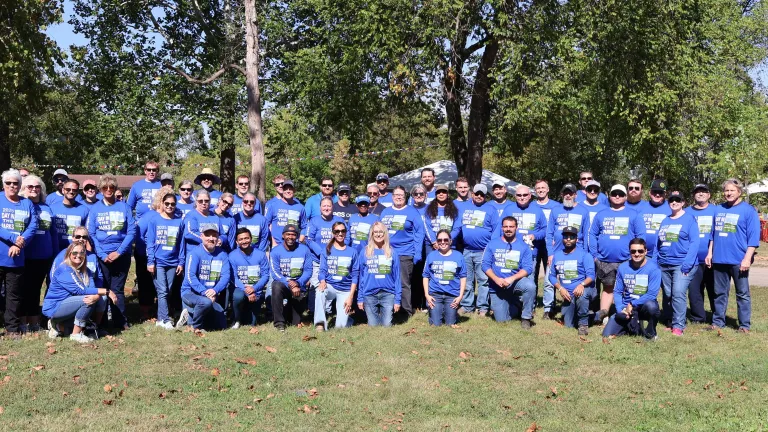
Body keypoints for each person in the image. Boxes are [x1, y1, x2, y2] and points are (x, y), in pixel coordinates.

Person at [705, 178, 760, 333]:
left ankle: (744, 325)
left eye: (731, 190)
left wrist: (747, 258)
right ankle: (718, 322)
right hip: (719, 259)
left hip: (739, 260)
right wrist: (710, 253)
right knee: (719, 293)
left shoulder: (748, 211)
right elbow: (712, 235)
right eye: (726, 190)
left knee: (742, 294)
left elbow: (753, 238)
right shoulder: (718, 209)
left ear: (739, 192)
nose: (728, 193)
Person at [588, 184, 645, 324]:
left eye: (620, 194)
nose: (617, 196)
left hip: (627, 260)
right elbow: (593, 234)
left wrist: (636, 256)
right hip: (605, 260)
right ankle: (604, 316)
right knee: (608, 288)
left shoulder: (634, 215)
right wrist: (595, 254)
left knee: (629, 289)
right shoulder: (601, 214)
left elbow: (640, 236)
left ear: (626, 196)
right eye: (614, 194)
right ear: (610, 196)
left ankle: (630, 316)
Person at [87, 174, 136, 330]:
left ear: (116, 189)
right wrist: (102, 254)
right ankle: (101, 322)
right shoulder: (95, 208)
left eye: (112, 187)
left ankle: (120, 321)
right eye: (105, 187)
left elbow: (131, 231)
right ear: (100, 189)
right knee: (104, 287)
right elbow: (91, 234)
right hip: (102, 255)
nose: (108, 190)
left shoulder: (124, 207)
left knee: (118, 289)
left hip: (121, 254)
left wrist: (119, 252)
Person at [43, 242, 118, 343]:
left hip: (71, 304)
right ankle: (76, 334)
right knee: (86, 300)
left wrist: (97, 296)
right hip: (56, 306)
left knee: (100, 298)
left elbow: (92, 287)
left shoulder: (86, 270)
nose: (78, 255)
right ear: (69, 254)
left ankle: (90, 328)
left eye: (82, 253)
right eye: (75, 253)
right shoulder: (64, 269)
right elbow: (80, 290)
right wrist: (107, 291)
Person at [0, 169, 39, 338]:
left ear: (20, 185)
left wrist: (20, 242)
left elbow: (33, 225)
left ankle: (12, 328)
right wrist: (14, 238)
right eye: (8, 183)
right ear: (3, 184)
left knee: (13, 296)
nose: (12, 186)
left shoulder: (27, 203)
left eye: (15, 183)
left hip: (16, 258)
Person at [656, 191, 699, 335]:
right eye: (672, 200)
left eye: (677, 200)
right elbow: (659, 242)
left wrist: (687, 264)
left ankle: (679, 325)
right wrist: (657, 260)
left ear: (683, 202)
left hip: (682, 263)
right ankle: (669, 319)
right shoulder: (665, 220)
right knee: (668, 294)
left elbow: (694, 243)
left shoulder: (689, 219)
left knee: (678, 292)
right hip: (664, 263)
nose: (674, 202)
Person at [544, 183, 589, 319]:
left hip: (577, 252)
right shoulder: (555, 210)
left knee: (573, 278)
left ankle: (576, 306)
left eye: (571, 193)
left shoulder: (583, 211)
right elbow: (549, 234)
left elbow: (586, 234)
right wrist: (550, 253)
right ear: (562, 194)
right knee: (548, 281)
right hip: (557, 251)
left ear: (576, 195)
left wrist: (586, 254)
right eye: (565, 193)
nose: (568, 195)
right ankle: (548, 308)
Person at [482, 216, 536, 328]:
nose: (508, 229)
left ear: (516, 228)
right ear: (502, 228)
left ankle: (526, 317)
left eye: (511, 227)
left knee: (530, 286)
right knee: (501, 320)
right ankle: (517, 304)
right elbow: (485, 265)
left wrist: (511, 279)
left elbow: (528, 268)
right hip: (497, 285)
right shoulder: (492, 244)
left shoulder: (523, 246)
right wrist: (496, 279)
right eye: (505, 226)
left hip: (515, 282)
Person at [380, 185, 425, 318]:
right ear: (392, 197)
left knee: (404, 283)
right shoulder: (385, 212)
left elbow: (419, 233)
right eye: (396, 195)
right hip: (387, 252)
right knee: (387, 282)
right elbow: (378, 232)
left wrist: (417, 253)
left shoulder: (412, 212)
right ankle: (388, 309)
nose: (398, 197)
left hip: (405, 253)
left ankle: (406, 311)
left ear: (405, 197)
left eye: (401, 195)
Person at [602, 239, 661, 340]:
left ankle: (651, 333)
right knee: (606, 334)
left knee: (652, 307)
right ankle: (632, 325)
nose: (637, 254)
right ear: (629, 252)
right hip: (626, 307)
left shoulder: (654, 268)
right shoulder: (623, 267)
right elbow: (617, 291)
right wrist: (621, 309)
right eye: (633, 251)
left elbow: (652, 294)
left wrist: (632, 304)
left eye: (640, 251)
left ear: (646, 251)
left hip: (644, 306)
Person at [20, 174, 58, 333]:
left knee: (36, 290)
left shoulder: (47, 208)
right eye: (30, 186)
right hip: (25, 256)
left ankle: (35, 323)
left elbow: (53, 233)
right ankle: (22, 323)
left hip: (45, 257)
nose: (34, 189)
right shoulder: (20, 206)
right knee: (23, 290)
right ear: (24, 189)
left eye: (37, 187)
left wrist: (55, 254)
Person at [146, 189, 186, 330]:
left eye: (172, 204)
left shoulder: (179, 222)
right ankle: (165, 319)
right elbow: (150, 242)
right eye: (167, 203)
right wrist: (150, 261)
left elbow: (181, 243)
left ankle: (159, 318)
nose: (170, 206)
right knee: (162, 290)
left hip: (173, 262)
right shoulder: (154, 220)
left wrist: (181, 262)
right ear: (162, 203)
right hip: (158, 261)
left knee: (167, 291)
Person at [457, 184, 499, 316]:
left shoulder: (491, 209)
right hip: (466, 250)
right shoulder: (464, 207)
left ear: (485, 196)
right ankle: (467, 305)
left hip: (483, 251)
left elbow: (496, 230)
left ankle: (483, 307)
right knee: (467, 279)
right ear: (472, 194)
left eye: (482, 194)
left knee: (483, 280)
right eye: (477, 194)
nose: (479, 196)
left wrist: (490, 248)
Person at [177, 226, 230, 332]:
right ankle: (195, 326)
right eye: (207, 235)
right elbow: (190, 276)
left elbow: (226, 276)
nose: (211, 238)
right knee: (205, 303)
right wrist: (205, 293)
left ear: (218, 238)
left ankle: (190, 313)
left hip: (211, 294)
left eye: (214, 236)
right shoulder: (194, 253)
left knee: (221, 324)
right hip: (190, 293)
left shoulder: (223, 255)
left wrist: (215, 290)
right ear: (201, 236)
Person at [549, 226, 595, 335]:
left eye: (572, 237)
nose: (568, 239)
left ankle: (583, 325)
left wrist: (581, 284)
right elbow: (552, 276)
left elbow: (591, 276)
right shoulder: (557, 255)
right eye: (566, 237)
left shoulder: (585, 255)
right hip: (568, 294)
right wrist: (560, 288)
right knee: (569, 324)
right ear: (562, 238)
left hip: (584, 290)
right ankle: (595, 316)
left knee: (581, 296)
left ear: (577, 239)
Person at [315, 221, 360, 331]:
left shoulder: (352, 252)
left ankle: (348, 320)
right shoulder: (327, 250)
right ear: (333, 233)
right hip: (331, 286)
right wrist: (322, 281)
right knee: (319, 291)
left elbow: (355, 275)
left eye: (343, 231)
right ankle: (320, 323)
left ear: (346, 233)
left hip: (345, 290)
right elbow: (322, 270)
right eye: (337, 231)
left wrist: (350, 297)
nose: (340, 233)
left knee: (340, 328)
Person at [306, 197, 346, 315]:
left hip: (334, 259)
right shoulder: (314, 221)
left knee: (330, 284)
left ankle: (327, 311)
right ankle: (313, 311)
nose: (326, 208)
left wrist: (336, 252)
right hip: (317, 260)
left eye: (329, 206)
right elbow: (308, 239)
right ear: (320, 208)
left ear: (332, 207)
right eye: (324, 206)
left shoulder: (339, 220)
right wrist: (321, 252)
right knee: (316, 285)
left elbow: (346, 237)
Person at [357, 221, 401, 326]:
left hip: (388, 294)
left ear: (385, 234)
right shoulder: (365, 252)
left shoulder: (392, 252)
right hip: (369, 294)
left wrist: (397, 300)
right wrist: (360, 298)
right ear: (372, 234)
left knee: (386, 326)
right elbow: (361, 277)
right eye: (375, 232)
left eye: (381, 232)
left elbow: (397, 277)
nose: (378, 234)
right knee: (373, 326)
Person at [269, 224, 313, 331]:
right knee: (275, 285)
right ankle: (279, 323)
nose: (290, 237)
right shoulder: (275, 251)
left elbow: (308, 271)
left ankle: (290, 314)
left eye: (293, 235)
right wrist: (289, 283)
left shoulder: (304, 249)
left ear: (297, 236)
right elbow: (275, 273)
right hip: (284, 285)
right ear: (283, 235)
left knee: (294, 322)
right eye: (288, 234)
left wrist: (298, 283)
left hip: (298, 287)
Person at [422, 229, 466, 326]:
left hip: (452, 294)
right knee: (436, 324)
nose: (443, 242)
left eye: (446, 240)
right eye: (439, 240)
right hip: (435, 294)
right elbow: (425, 276)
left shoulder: (459, 256)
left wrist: (460, 296)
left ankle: (449, 313)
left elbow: (463, 277)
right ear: (437, 242)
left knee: (450, 323)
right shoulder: (431, 256)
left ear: (450, 241)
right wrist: (427, 295)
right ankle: (434, 312)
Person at [687, 184, 716, 324]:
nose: (700, 194)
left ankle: (717, 316)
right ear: (694, 195)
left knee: (714, 289)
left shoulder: (716, 211)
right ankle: (698, 317)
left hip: (713, 259)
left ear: (709, 195)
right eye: (697, 192)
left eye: (704, 191)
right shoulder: (686, 212)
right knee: (694, 291)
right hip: (693, 260)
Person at [229, 228, 269, 328]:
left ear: (251, 239)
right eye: (241, 239)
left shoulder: (260, 254)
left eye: (246, 238)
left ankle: (248, 314)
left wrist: (254, 289)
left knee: (252, 323)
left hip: (256, 291)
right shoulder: (232, 256)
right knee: (238, 296)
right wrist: (247, 290)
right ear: (237, 242)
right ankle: (237, 319)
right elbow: (233, 278)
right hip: (241, 289)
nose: (244, 241)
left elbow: (265, 275)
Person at [500, 185, 547, 268]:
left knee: (529, 279)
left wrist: (535, 236)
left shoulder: (537, 210)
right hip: (511, 251)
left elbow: (545, 229)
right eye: (519, 195)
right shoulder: (508, 209)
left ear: (529, 196)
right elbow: (500, 229)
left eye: (525, 195)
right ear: (515, 196)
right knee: (510, 279)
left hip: (530, 253)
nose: (522, 197)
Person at [50, 179, 90, 252]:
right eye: (68, 189)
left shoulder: (84, 210)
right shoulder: (52, 208)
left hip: (76, 252)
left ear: (78, 192)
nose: (71, 192)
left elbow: (88, 233)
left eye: (74, 190)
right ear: (63, 190)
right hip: (56, 250)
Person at [265, 179, 306, 246]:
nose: (288, 191)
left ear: (294, 190)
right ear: (283, 190)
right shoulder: (273, 205)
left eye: (290, 189)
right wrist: (273, 241)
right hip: (277, 245)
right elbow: (266, 224)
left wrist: (300, 240)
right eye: (286, 189)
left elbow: (304, 226)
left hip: (294, 245)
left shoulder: (300, 207)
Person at [639, 179, 671, 259]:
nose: (657, 195)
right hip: (642, 255)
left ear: (665, 194)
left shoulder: (672, 208)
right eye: (654, 192)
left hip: (663, 256)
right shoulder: (641, 207)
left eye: (660, 192)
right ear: (650, 192)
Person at [424, 184, 460, 251]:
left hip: (450, 244)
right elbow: (427, 227)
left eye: (444, 192)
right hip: (433, 245)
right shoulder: (429, 209)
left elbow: (457, 228)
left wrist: (447, 239)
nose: (441, 194)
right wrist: (434, 241)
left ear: (447, 194)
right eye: (438, 192)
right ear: (436, 195)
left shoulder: (454, 209)